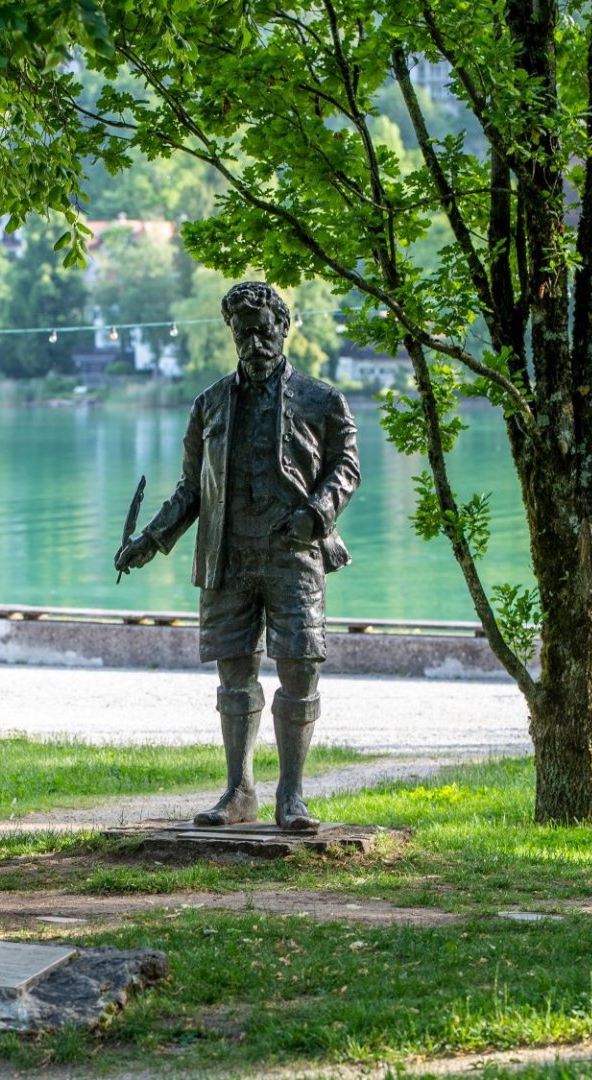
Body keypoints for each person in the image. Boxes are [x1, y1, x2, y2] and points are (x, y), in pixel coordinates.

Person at [115, 282, 361, 831]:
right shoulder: (209, 404)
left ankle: (292, 796)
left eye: (263, 328)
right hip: (227, 553)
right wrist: (149, 541)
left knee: (300, 668)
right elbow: (190, 489)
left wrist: (315, 514)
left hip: (294, 553)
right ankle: (239, 791)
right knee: (233, 676)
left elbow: (346, 469)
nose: (254, 341)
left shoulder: (323, 401)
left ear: (283, 326)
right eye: (242, 332)